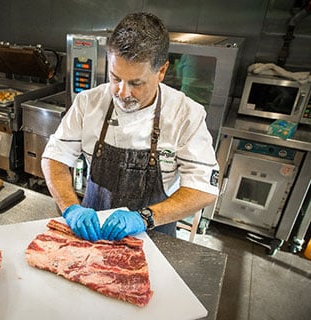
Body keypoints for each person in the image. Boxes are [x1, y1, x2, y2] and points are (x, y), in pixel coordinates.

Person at [41, 12, 219, 242]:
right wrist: (71, 209)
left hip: (154, 235)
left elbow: (203, 188)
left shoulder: (186, 115)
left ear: (162, 71)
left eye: (136, 83)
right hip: (92, 232)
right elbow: (54, 157)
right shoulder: (89, 102)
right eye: (115, 78)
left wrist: (144, 217)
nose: (122, 93)